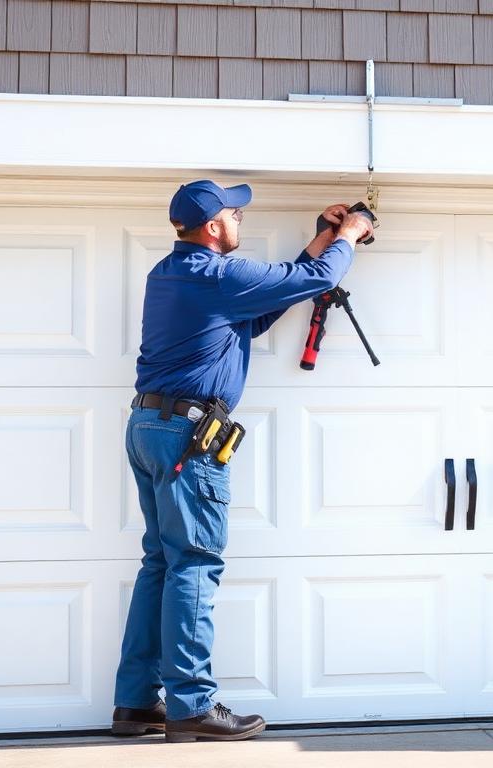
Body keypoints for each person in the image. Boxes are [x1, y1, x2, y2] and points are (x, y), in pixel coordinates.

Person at [111, 180, 373, 743]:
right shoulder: (219, 276)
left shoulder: (170, 274)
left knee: (161, 562)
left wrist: (320, 240)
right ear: (212, 227)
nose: (240, 220)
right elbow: (316, 281)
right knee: (195, 563)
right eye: (235, 213)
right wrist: (347, 237)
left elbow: (255, 316)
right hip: (186, 437)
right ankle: (191, 707)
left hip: (149, 427)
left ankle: (135, 704)